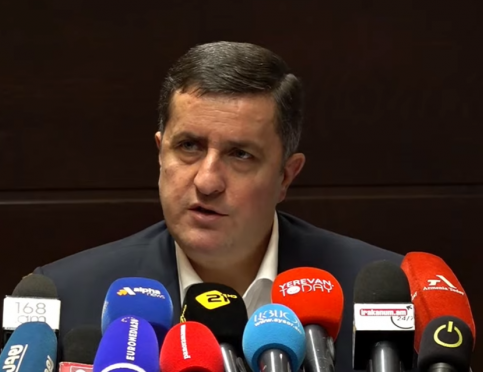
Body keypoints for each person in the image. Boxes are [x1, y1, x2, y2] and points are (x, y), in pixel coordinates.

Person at [33, 41, 404, 371]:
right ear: (160, 154)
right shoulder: (70, 298)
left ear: (285, 176)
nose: (207, 182)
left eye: (240, 154)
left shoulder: (386, 300)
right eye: (189, 147)